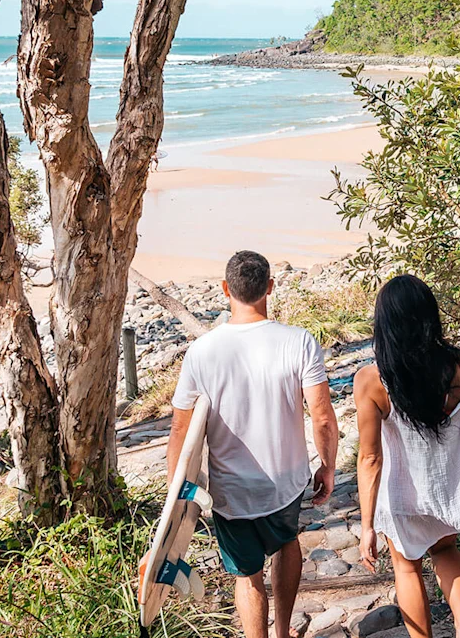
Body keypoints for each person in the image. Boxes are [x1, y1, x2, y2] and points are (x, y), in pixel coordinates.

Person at [166, 250, 339, 638]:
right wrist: (327, 466)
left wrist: (176, 493)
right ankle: (282, 634)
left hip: (232, 492)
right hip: (285, 482)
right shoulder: (299, 341)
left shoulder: (201, 352)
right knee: (286, 542)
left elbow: (180, 430)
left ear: (225, 289)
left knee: (247, 576)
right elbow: (322, 415)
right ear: (270, 288)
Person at [354, 274, 460, 638]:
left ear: (384, 323)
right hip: (449, 488)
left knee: (406, 568)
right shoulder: (459, 364)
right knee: (446, 551)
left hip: (402, 496)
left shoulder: (372, 379)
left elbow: (370, 458)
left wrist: (366, 526)